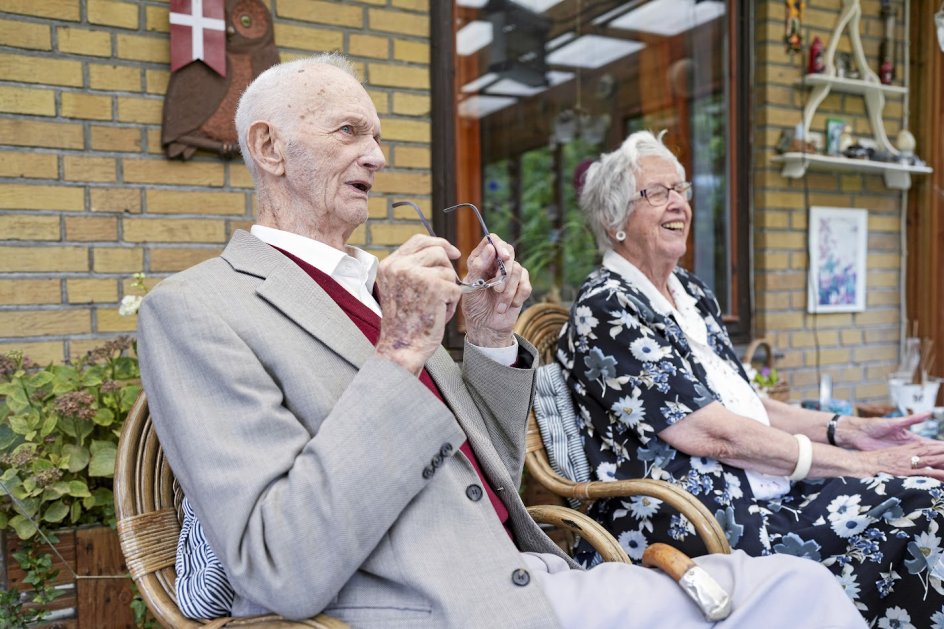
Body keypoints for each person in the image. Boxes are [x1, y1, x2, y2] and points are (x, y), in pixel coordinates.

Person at [136, 54, 866, 628]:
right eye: (350, 131)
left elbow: (488, 468)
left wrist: (486, 339)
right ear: (268, 146)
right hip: (441, 607)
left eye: (379, 135)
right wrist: (399, 353)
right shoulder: (199, 310)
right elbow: (278, 563)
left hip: (533, 575)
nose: (379, 156)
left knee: (800, 587)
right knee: (796, 594)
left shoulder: (382, 282)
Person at [558, 129, 944, 628]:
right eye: (658, 192)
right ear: (614, 222)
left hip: (763, 489)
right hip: (700, 516)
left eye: (682, 189)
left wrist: (847, 430)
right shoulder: (607, 305)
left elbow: (746, 405)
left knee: (921, 487)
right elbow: (715, 433)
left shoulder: (689, 291)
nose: (679, 203)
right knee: (923, 500)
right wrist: (859, 464)